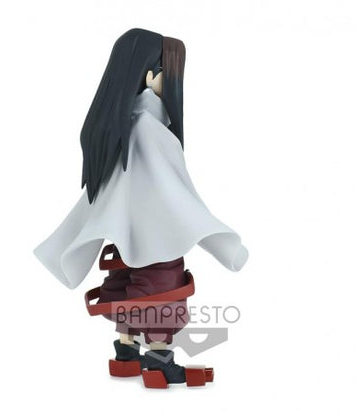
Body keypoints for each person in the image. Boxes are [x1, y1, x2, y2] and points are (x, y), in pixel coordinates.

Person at [33, 28, 248, 387]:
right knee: (162, 287)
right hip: (157, 236)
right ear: (151, 76)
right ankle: (159, 361)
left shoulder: (119, 128)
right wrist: (220, 240)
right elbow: (178, 195)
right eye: (170, 73)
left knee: (125, 283)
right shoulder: (150, 130)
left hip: (123, 237)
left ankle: (126, 351)